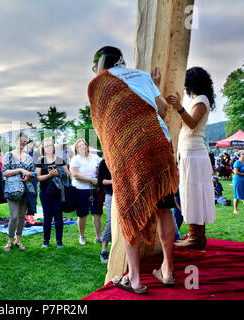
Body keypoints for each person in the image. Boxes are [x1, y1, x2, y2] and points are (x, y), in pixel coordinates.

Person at [89, 46, 178, 294]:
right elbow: (161, 109)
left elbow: (102, 125)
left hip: (129, 154)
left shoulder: (98, 84)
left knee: (130, 210)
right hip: (159, 143)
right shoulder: (142, 76)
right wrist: (151, 86)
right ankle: (168, 271)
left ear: (99, 64)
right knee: (164, 209)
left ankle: (135, 279)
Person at [166, 66, 216, 250]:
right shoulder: (194, 100)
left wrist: (179, 107)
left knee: (194, 194)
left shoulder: (201, 100)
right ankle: (195, 235)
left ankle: (196, 237)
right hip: (188, 154)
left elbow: (193, 124)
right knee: (191, 194)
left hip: (195, 154)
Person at [2, 132, 35, 252]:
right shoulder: (9, 155)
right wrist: (20, 169)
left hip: (25, 190)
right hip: (12, 189)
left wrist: (29, 176)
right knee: (14, 216)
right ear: (16, 140)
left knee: (22, 216)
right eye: (21, 139)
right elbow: (4, 172)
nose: (23, 142)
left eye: (25, 140)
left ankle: (18, 240)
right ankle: (9, 241)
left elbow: (32, 174)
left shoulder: (29, 158)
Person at [36, 138, 69, 249]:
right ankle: (46, 241)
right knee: (47, 216)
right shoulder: (40, 161)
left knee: (58, 216)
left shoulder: (59, 159)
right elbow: (38, 177)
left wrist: (58, 173)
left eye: (50, 145)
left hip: (58, 192)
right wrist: (49, 176)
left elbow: (68, 174)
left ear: (53, 147)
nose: (49, 148)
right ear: (43, 148)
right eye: (46, 146)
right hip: (45, 192)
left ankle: (59, 241)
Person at [70, 138, 102, 245]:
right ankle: (82, 236)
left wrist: (98, 179)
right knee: (82, 214)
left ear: (87, 146)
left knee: (97, 213)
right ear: (76, 149)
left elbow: (102, 168)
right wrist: (91, 180)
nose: (82, 147)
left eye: (84, 145)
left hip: (95, 190)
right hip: (80, 190)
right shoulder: (75, 159)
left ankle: (99, 237)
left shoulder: (95, 157)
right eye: (79, 146)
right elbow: (76, 175)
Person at [97, 159, 113, 263]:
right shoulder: (104, 162)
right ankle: (103, 251)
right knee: (110, 221)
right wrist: (113, 181)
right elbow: (100, 181)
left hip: (125, 195)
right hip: (110, 194)